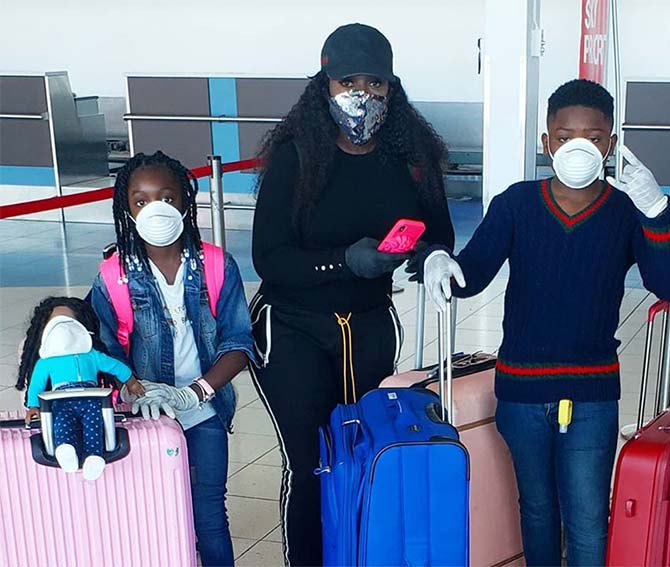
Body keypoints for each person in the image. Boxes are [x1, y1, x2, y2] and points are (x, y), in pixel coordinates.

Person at [420, 79, 670, 566]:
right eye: (565, 136)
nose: (578, 146)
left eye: (592, 135)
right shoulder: (517, 204)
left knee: (588, 517)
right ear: (546, 143)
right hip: (521, 390)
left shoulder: (627, 210)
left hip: (591, 393)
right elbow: (472, 273)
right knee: (538, 510)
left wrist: (657, 211)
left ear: (610, 143)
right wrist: (439, 260)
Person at [249, 23, 455, 565]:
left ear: (393, 87)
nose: (362, 96)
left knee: (365, 453)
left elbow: (438, 231)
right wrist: (343, 261)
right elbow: (269, 258)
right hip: (293, 328)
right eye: (348, 82)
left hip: (367, 327)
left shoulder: (409, 158)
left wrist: (429, 254)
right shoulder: (296, 158)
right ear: (324, 84)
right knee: (310, 461)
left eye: (375, 83)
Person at [90, 151, 256, 567]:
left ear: (185, 200)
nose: (155, 209)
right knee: (151, 519)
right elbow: (105, 349)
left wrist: (195, 392)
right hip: (142, 418)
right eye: (140, 201)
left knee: (210, 519)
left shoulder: (218, 265)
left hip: (204, 415)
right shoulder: (113, 275)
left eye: (166, 197)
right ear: (126, 209)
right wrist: (134, 388)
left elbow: (238, 342)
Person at [16, 297, 143, 480]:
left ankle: (94, 456)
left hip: (92, 399)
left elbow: (115, 367)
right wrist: (34, 406)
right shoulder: (45, 361)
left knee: (94, 422)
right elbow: (36, 385)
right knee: (61, 420)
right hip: (59, 400)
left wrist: (131, 382)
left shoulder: (91, 355)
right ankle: (65, 448)